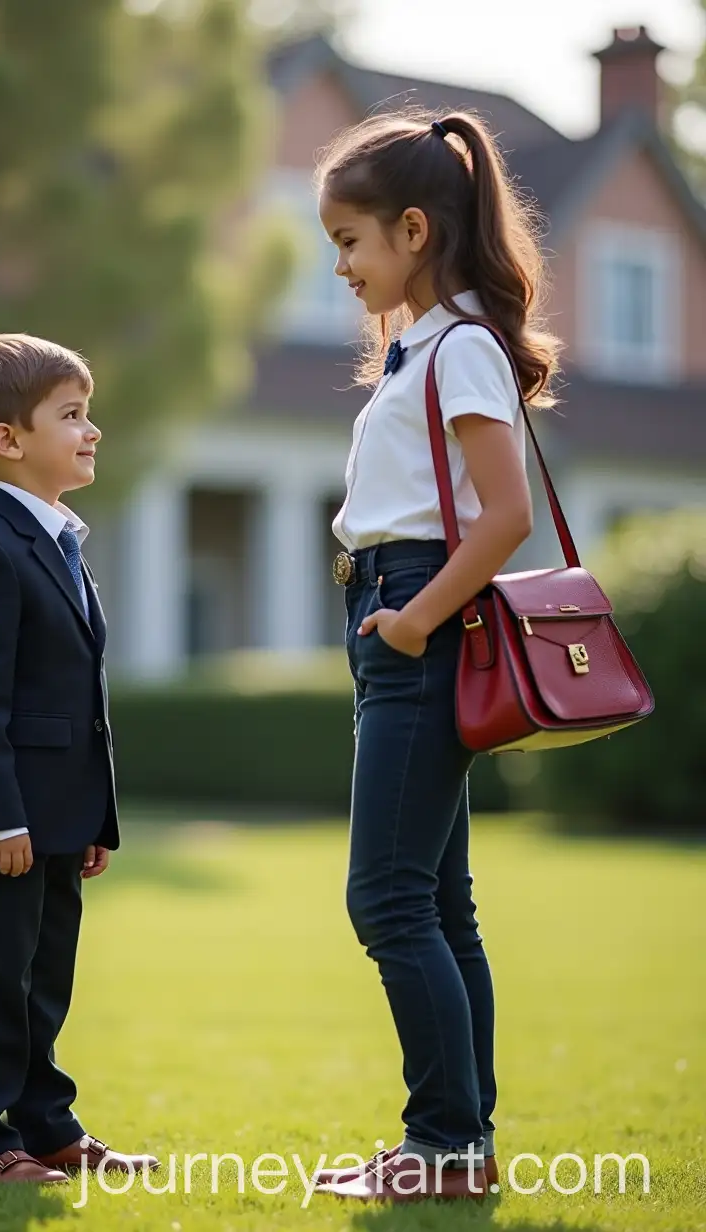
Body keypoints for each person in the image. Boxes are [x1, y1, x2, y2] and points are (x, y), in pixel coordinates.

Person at [311, 112, 561, 1204]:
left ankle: (444, 1144)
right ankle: (457, 1145)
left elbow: (503, 515)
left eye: (351, 240)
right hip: (395, 612)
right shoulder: (421, 346)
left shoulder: (457, 347)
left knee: (387, 900)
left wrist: (411, 621)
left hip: (417, 618)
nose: (340, 265)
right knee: (435, 904)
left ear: (414, 229)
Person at [0, 331, 160, 1184]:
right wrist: (2, 819)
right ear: (8, 440)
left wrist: (89, 817)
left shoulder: (61, 546)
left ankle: (46, 1125)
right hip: (6, 818)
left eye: (88, 414)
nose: (91, 431)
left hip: (57, 816)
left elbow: (74, 702)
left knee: (42, 980)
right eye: (71, 415)